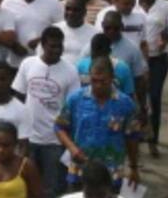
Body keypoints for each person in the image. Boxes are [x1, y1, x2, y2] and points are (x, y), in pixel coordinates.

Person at [12, 26, 80, 198]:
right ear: (42, 45)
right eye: (52, 46)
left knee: (49, 187)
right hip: (28, 138)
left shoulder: (70, 71)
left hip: (54, 140)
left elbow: (72, 107)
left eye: (60, 47)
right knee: (25, 184)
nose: (56, 50)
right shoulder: (27, 65)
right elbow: (18, 97)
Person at [54, 58, 143, 189]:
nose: (98, 85)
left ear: (112, 78)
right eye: (94, 80)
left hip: (111, 173)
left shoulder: (125, 104)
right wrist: (72, 148)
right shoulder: (75, 99)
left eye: (103, 81)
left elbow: (132, 137)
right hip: (81, 170)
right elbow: (59, 126)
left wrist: (133, 167)